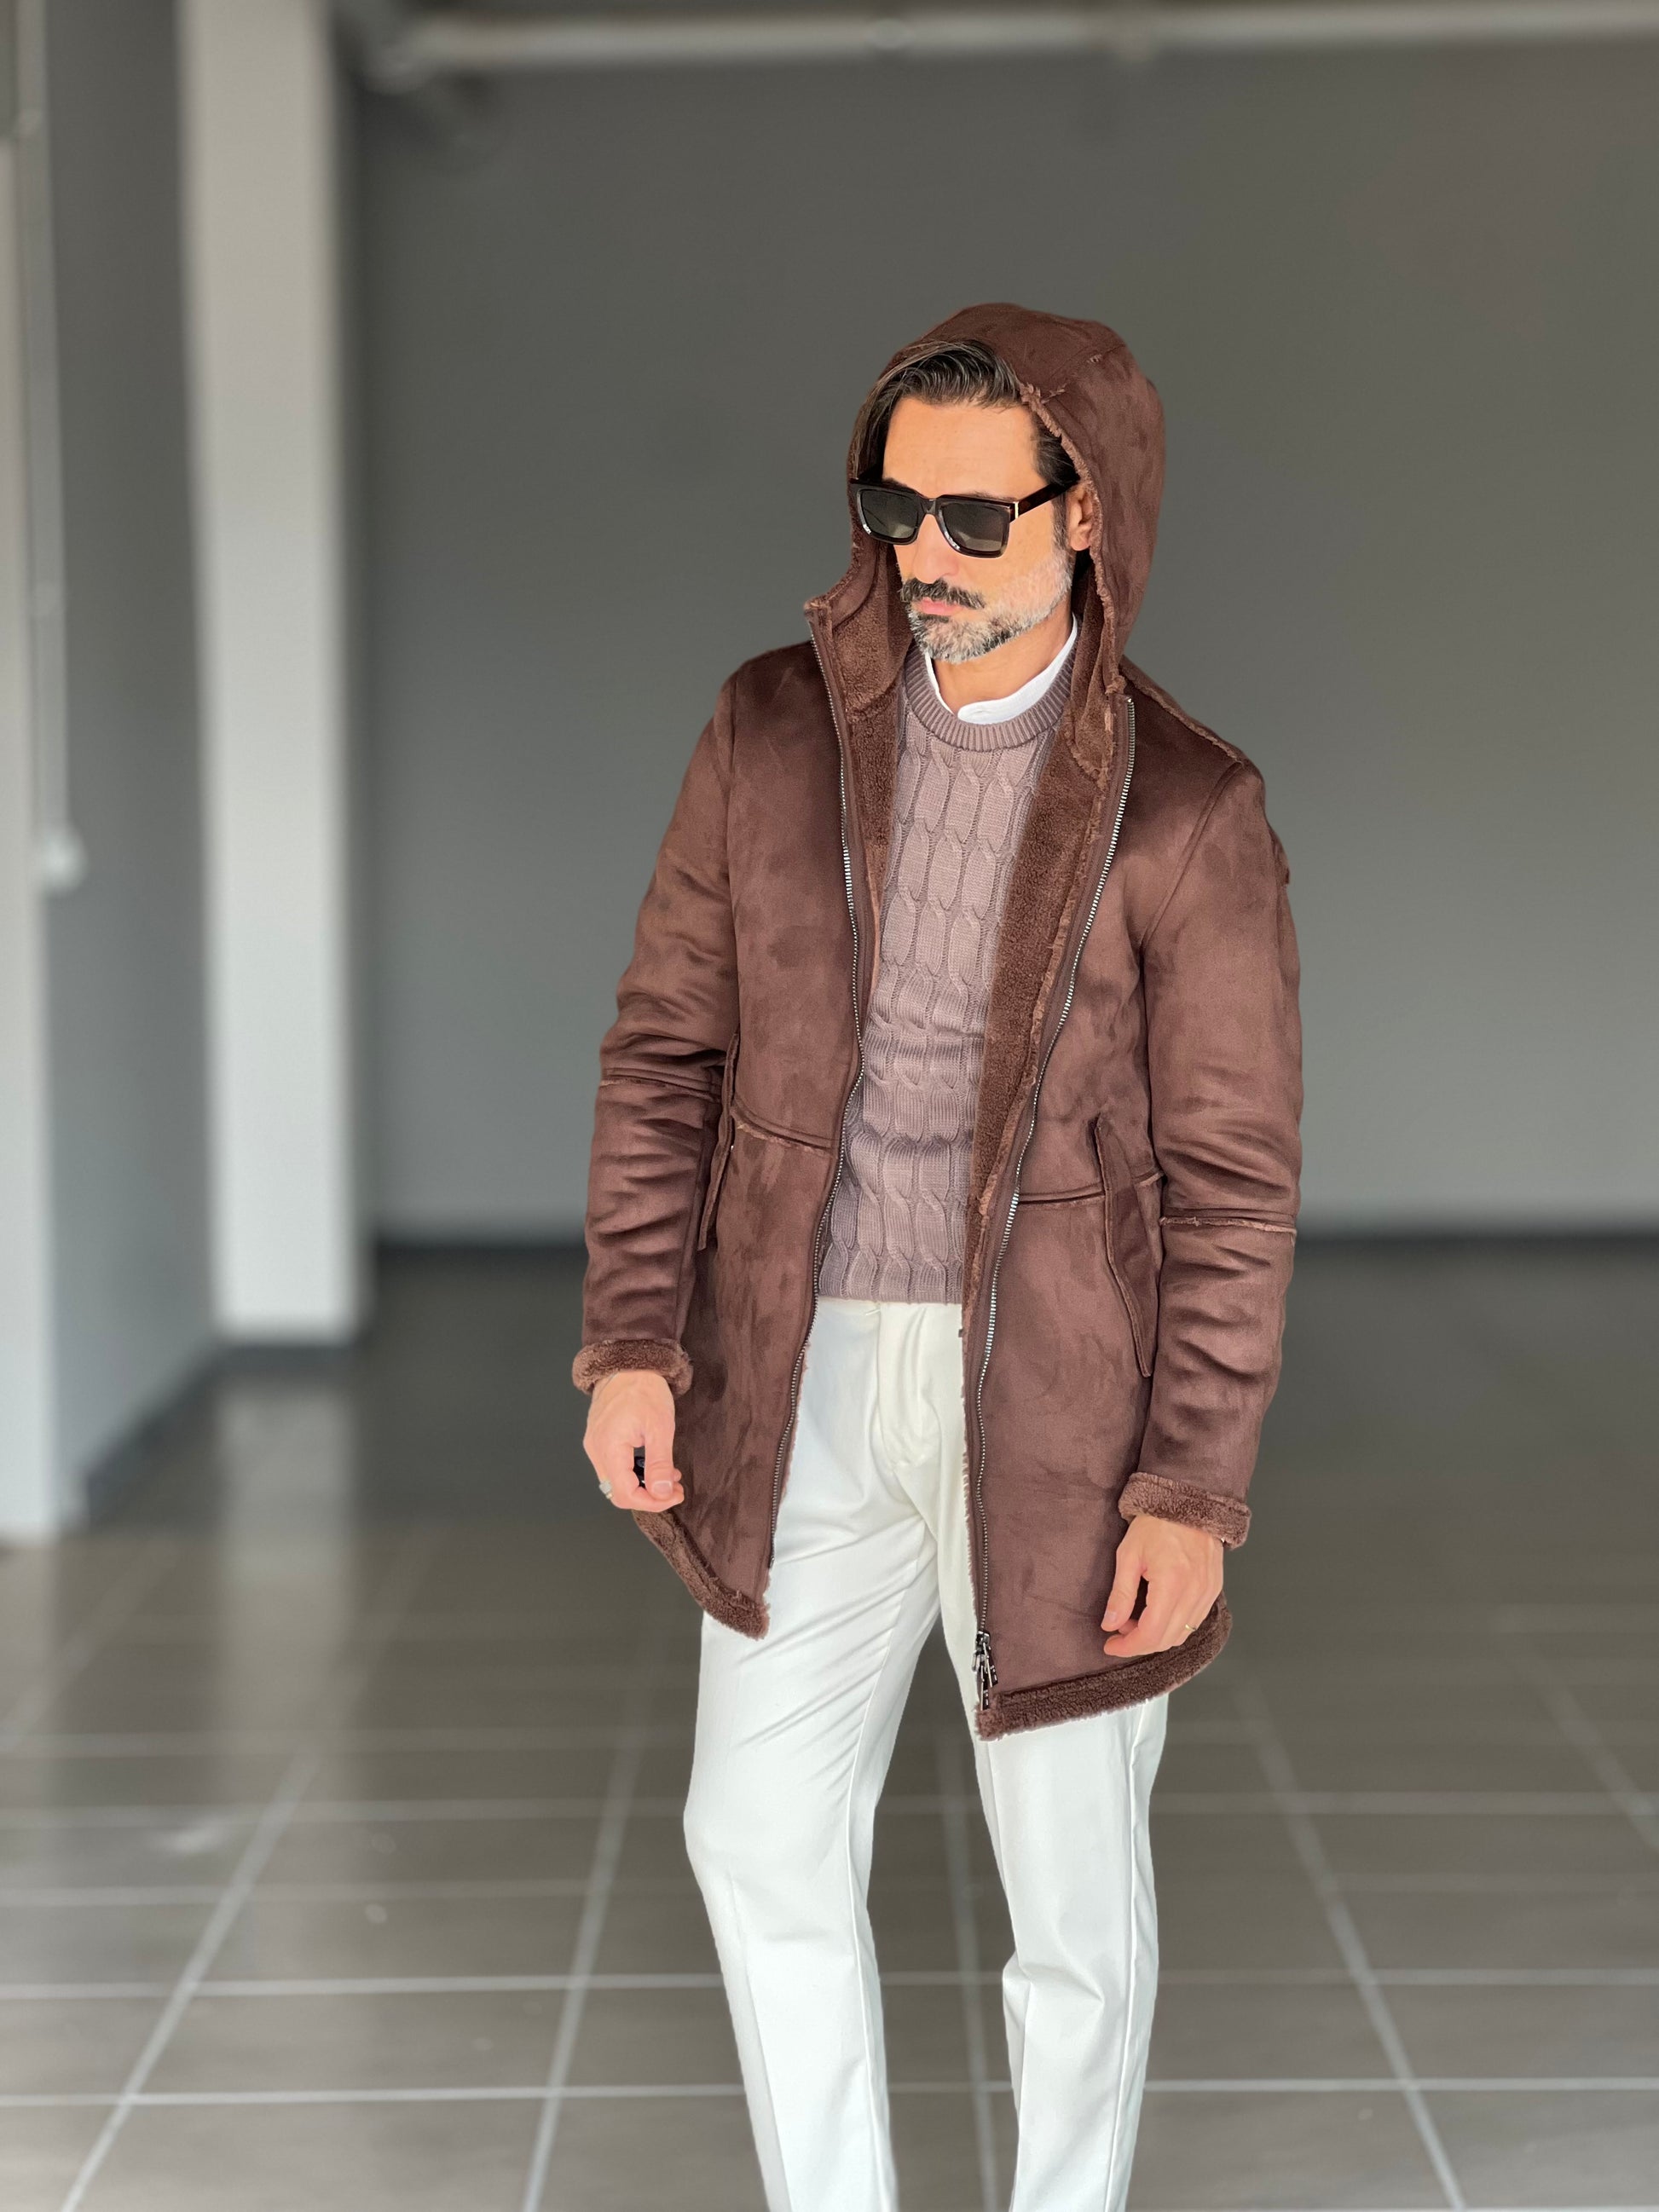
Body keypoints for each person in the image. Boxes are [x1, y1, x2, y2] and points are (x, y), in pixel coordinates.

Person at [573, 303, 1302, 2212]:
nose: (926, 558)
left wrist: (1191, 1487)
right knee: (751, 1832)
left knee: (1071, 1900)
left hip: (1058, 1406)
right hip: (799, 1369)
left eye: (979, 519)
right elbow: (666, 1051)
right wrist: (634, 1334)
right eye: (897, 511)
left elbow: (1232, 1184)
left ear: (1088, 516)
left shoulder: (1187, 808)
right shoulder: (768, 732)